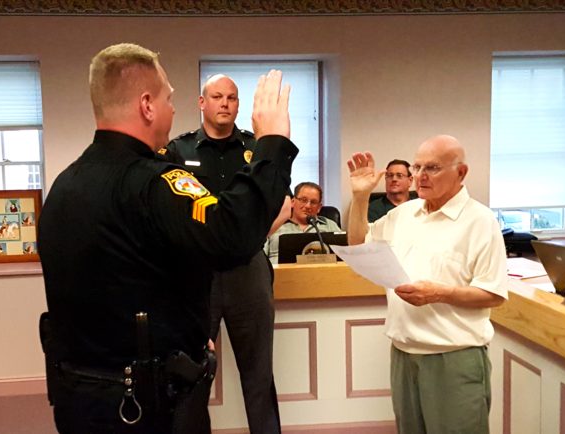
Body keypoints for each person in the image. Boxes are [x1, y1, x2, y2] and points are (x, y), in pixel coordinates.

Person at [38, 43, 297, 434]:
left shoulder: (65, 185)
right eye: (168, 98)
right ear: (146, 105)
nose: (173, 109)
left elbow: (133, 276)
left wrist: (187, 333)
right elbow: (232, 236)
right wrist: (273, 143)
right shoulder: (154, 182)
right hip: (144, 404)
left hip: (80, 396)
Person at [346, 135, 507, 434]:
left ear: (461, 172)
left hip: (453, 357)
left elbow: (493, 294)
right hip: (404, 353)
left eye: (432, 168)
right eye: (417, 166)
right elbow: (357, 244)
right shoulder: (406, 213)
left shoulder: (480, 221)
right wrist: (359, 198)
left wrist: (440, 293)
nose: (420, 176)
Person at [164, 74, 282, 434]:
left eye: (232, 97)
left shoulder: (254, 149)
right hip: (196, 274)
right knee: (192, 370)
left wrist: (244, 236)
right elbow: (167, 210)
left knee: (259, 372)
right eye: (217, 96)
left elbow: (281, 203)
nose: (225, 103)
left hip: (248, 267)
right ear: (202, 103)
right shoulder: (177, 151)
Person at [264, 181, 341, 264]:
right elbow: (259, 259)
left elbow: (344, 256)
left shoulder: (329, 225)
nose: (308, 206)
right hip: (280, 275)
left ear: (319, 207)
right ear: (292, 202)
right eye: (303, 200)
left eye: (313, 202)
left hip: (321, 274)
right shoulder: (274, 225)